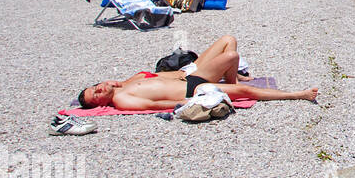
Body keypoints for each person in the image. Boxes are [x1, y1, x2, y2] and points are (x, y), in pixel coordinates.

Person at [75, 34, 318, 113]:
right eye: (95, 96)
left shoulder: (122, 85)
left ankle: (232, 78)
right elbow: (156, 104)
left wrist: (118, 82)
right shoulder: (123, 100)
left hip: (187, 73)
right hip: (194, 88)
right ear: (100, 104)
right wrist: (189, 102)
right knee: (235, 69)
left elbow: (153, 79)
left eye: (94, 87)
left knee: (228, 40)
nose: (98, 90)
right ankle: (298, 94)